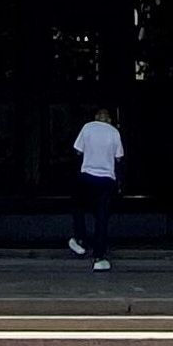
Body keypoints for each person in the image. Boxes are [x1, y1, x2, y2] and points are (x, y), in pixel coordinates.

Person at [68, 104, 123, 271]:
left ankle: (80, 239)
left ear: (96, 117)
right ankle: (99, 257)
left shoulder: (88, 127)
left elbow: (77, 151)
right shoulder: (114, 132)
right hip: (106, 179)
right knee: (102, 217)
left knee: (78, 207)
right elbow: (119, 157)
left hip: (87, 176)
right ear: (109, 119)